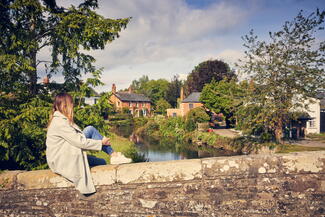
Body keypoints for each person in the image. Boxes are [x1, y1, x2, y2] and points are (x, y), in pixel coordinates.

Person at [46, 93, 130, 199]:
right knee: (90, 130)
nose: (73, 107)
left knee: (102, 163)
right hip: (63, 161)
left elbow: (77, 141)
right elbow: (80, 142)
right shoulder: (59, 122)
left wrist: (99, 143)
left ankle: (113, 156)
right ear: (65, 106)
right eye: (72, 104)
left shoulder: (60, 120)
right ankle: (113, 155)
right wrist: (101, 143)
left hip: (68, 156)